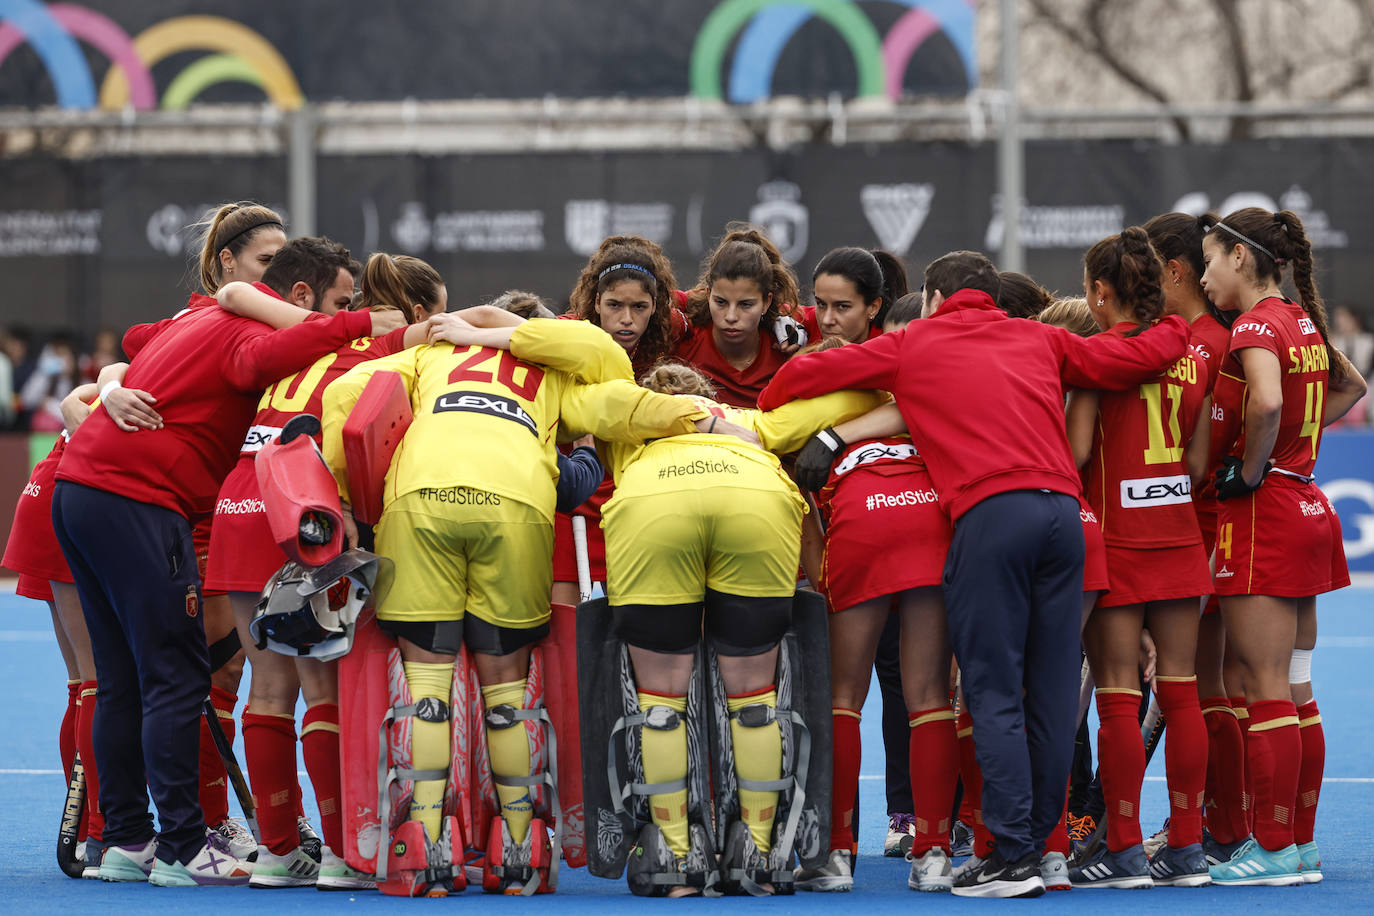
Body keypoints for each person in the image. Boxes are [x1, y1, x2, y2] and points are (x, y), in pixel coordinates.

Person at [757, 249, 1191, 898]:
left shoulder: (914, 341)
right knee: (1048, 695)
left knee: (990, 690)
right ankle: (1047, 853)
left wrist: (801, 413)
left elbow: (803, 379)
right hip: (1064, 517)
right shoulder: (1041, 336)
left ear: (931, 298)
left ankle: (1008, 857)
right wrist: (1180, 326)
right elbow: (1131, 358)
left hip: (991, 516)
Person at [319, 309, 735, 896]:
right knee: (505, 680)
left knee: (427, 679)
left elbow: (344, 393)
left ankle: (427, 845)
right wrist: (709, 421)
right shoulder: (556, 377)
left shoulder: (423, 357)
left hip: (418, 505)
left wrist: (342, 493)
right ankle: (519, 845)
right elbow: (625, 404)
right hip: (518, 509)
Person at [49, 228, 401, 887]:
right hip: (137, 500)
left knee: (124, 678)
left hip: (81, 491)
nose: (342, 317)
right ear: (299, 294)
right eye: (340, 301)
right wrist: (367, 325)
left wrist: (102, 383)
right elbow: (276, 349)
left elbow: (133, 346)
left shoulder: (204, 312)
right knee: (175, 677)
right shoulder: (242, 331)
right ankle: (183, 847)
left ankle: (127, 841)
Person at [203, 248, 440, 889]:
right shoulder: (387, 348)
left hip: (240, 501)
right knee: (321, 691)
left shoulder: (294, 341)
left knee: (268, 689)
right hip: (302, 512)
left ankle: (277, 852)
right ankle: (341, 854)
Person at [1199, 208, 1365, 885]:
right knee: (1295, 684)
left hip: (1266, 513)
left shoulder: (1254, 324)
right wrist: (1297, 444)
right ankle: (1297, 842)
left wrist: (1252, 467)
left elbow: (1264, 403)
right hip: (1307, 507)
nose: (1206, 274)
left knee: (1263, 684)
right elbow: (1351, 386)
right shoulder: (1299, 320)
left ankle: (1272, 850)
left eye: (1211, 259)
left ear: (1241, 258)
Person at [1063, 227, 1213, 888]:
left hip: (1118, 544)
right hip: (1179, 540)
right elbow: (1200, 461)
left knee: (1119, 699)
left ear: (1100, 293)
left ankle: (1122, 848)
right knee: (1182, 695)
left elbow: (1076, 459)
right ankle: (1185, 847)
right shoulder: (1193, 359)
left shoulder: (1097, 360)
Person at [785, 334, 958, 894]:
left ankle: (835, 855)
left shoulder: (799, 421)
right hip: (929, 515)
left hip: (861, 520)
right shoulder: (909, 400)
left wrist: (828, 583)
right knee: (930, 696)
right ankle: (933, 853)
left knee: (843, 698)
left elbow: (808, 524)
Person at [551, 236, 687, 608]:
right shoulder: (562, 335)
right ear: (595, 302)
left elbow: (726, 299)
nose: (626, 319)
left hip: (641, 502)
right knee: (568, 630)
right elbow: (505, 324)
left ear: (655, 306)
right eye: (614, 305)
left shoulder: (673, 335)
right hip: (573, 504)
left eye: (639, 307)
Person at [673, 225, 801, 407]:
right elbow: (648, 299)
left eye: (745, 304)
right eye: (721, 302)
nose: (731, 317)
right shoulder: (683, 337)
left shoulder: (790, 345)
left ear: (766, 302)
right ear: (708, 294)